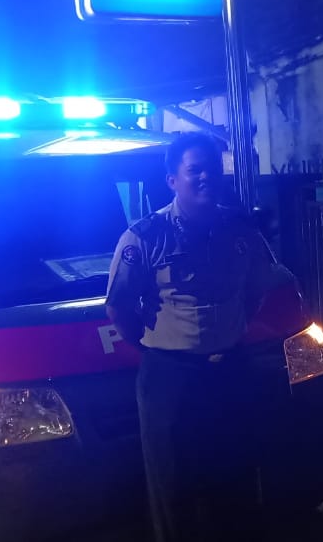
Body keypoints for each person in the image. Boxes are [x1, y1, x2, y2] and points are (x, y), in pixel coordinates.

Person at [105, 131, 273, 542]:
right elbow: (119, 306)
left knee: (237, 483)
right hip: (171, 380)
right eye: (194, 170)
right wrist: (157, 349)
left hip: (230, 372)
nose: (205, 177)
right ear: (172, 180)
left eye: (212, 169)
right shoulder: (145, 237)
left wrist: (232, 330)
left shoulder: (240, 230)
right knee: (175, 491)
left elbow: (257, 288)